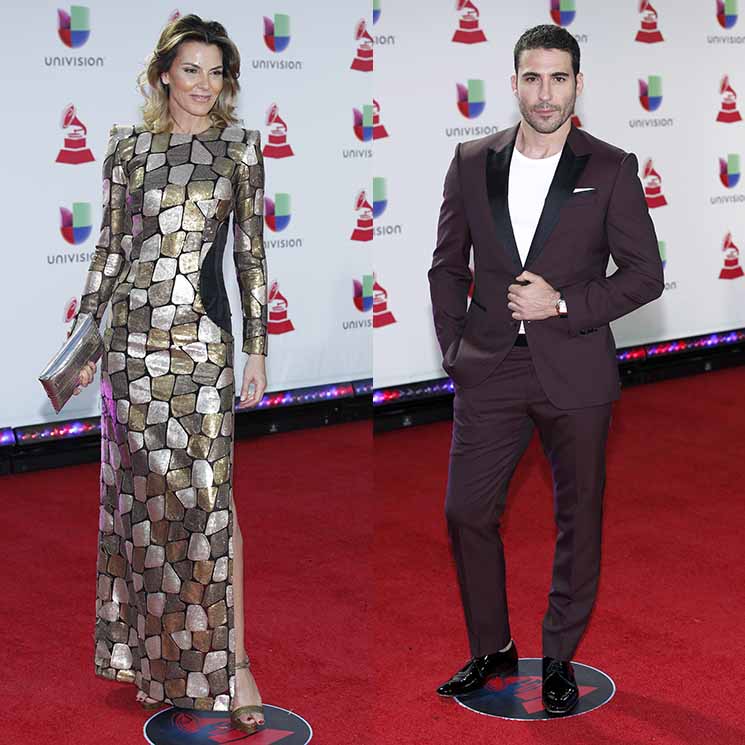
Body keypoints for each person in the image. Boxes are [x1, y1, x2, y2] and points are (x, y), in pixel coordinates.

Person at [428, 24, 664, 716]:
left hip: (576, 370)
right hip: (491, 369)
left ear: (577, 85)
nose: (544, 93)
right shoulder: (471, 160)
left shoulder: (610, 166)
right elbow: (446, 265)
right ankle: (492, 647)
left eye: (558, 78)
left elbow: (645, 275)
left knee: (576, 515)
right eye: (531, 78)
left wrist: (561, 302)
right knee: (465, 510)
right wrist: (455, 350)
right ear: (513, 84)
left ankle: (557, 655)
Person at [72, 14, 268, 735]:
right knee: (146, 508)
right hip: (130, 348)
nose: (204, 85)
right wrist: (84, 338)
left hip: (203, 347)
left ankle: (235, 660)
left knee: (213, 504)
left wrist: (257, 348)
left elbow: (250, 257)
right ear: (164, 74)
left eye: (217, 72)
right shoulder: (128, 150)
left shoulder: (238, 149)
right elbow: (109, 252)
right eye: (192, 70)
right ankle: (162, 662)